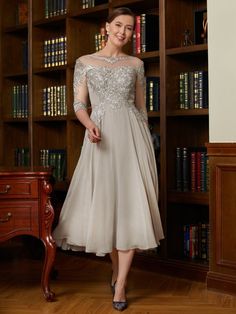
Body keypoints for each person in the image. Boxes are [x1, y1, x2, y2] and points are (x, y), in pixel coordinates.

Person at [53, 7, 164, 311]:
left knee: (130, 207)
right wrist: (88, 124)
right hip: (100, 139)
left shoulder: (136, 64)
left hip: (132, 139)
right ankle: (116, 271)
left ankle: (122, 285)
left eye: (129, 28)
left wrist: (145, 145)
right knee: (109, 210)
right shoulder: (85, 63)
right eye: (118, 25)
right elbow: (78, 102)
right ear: (106, 27)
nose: (123, 32)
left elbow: (142, 109)